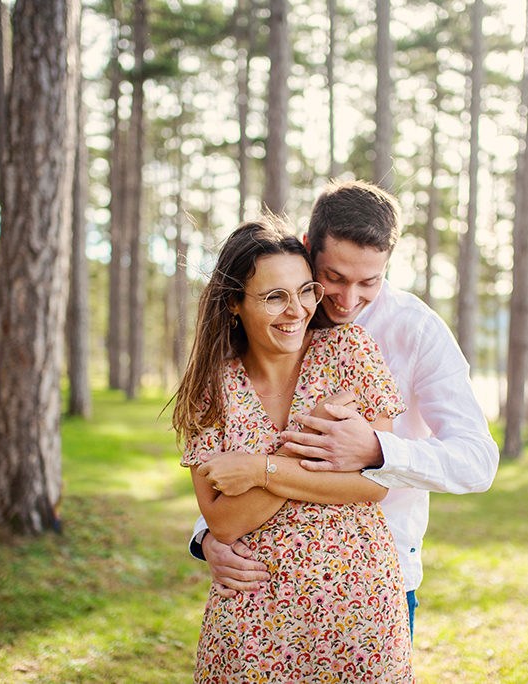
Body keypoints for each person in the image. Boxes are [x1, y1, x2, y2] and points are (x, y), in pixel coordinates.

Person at [192, 180, 500, 637]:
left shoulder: (415, 331)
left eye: (368, 282)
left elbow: (478, 462)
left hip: (374, 579)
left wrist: (378, 451)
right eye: (333, 278)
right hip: (259, 587)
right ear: (307, 248)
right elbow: (233, 444)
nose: (348, 300)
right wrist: (208, 537)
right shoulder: (274, 314)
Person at [174, 217, 414, 681]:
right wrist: (309, 450)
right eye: (274, 297)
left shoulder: (350, 352)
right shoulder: (212, 389)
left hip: (358, 613)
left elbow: (375, 485)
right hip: (252, 619)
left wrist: (260, 471)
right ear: (233, 305)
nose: (297, 310)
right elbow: (223, 521)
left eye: (306, 291)